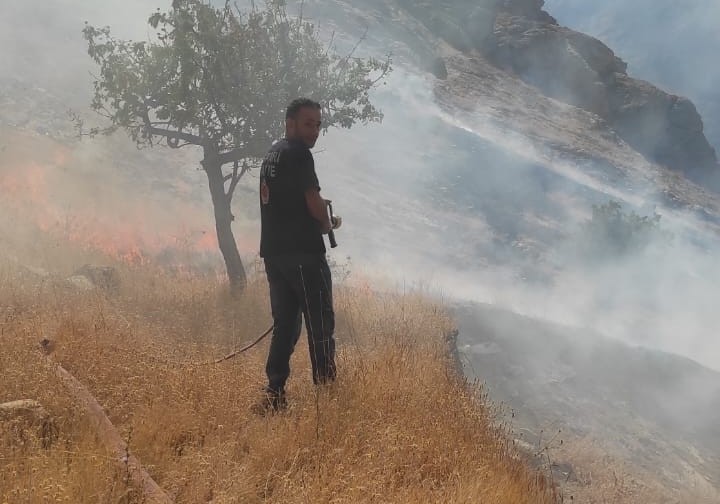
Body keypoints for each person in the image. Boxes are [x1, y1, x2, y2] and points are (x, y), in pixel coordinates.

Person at [256, 98, 342, 413]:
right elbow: (313, 201)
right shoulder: (300, 155)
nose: (314, 131)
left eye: (318, 125)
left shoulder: (271, 154)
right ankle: (327, 395)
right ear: (290, 122)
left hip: (275, 254)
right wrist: (326, 221)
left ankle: (274, 392)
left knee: (286, 327)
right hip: (304, 254)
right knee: (320, 324)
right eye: (308, 123)